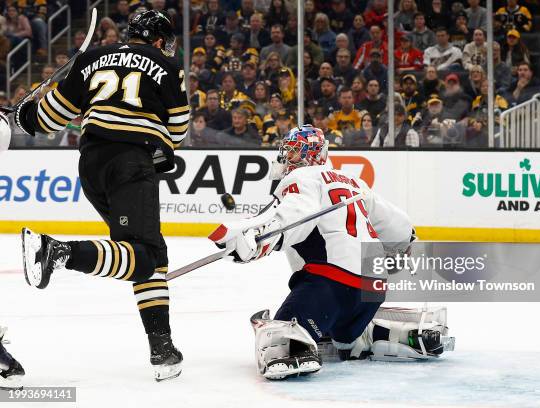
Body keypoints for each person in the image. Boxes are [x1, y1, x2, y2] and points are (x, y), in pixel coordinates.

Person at [12, 10, 187, 381]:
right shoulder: (167, 65)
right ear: (157, 39)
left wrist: (23, 114)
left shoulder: (92, 58)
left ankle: (162, 348)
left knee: (147, 252)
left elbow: (49, 118)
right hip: (131, 162)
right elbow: (180, 128)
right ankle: (58, 252)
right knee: (145, 256)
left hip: (91, 164)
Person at [207, 125, 449, 378]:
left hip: (331, 285)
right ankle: (386, 335)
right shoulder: (355, 183)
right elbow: (399, 225)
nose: (285, 159)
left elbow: (294, 216)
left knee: (279, 337)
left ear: (312, 155)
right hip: (373, 289)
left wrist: (261, 240)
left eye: (293, 153)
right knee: (341, 335)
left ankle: (297, 345)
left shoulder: (301, 179)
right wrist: (404, 243)